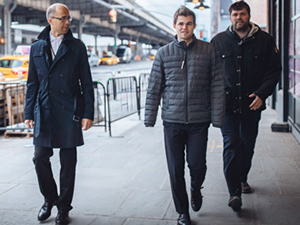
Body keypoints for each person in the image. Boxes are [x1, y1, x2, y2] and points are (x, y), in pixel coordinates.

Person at [144, 6, 224, 225]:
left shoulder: (209, 51)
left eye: (189, 23)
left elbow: (217, 85)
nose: (185, 27)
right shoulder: (163, 53)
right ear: (174, 25)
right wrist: (150, 117)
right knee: (175, 168)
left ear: (194, 26)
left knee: (197, 165)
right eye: (181, 23)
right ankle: (182, 212)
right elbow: (154, 87)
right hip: (172, 121)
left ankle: (196, 187)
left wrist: (217, 117)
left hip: (199, 121)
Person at [24, 3, 94, 225]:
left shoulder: (77, 47)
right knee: (39, 158)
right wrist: (28, 112)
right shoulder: (37, 47)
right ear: (50, 20)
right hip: (44, 111)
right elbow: (32, 83)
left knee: (68, 162)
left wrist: (87, 113)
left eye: (68, 19)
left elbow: (87, 84)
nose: (67, 22)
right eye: (63, 18)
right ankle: (49, 200)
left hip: (69, 110)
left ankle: (63, 207)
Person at [211, 0, 281, 211]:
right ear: (230, 17)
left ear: (248, 16)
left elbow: (274, 71)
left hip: (252, 104)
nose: (238, 18)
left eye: (242, 14)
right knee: (231, 145)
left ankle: (242, 177)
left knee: (247, 144)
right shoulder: (219, 41)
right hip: (227, 106)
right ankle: (234, 192)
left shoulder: (265, 40)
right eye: (234, 15)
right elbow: (210, 72)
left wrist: (262, 94)